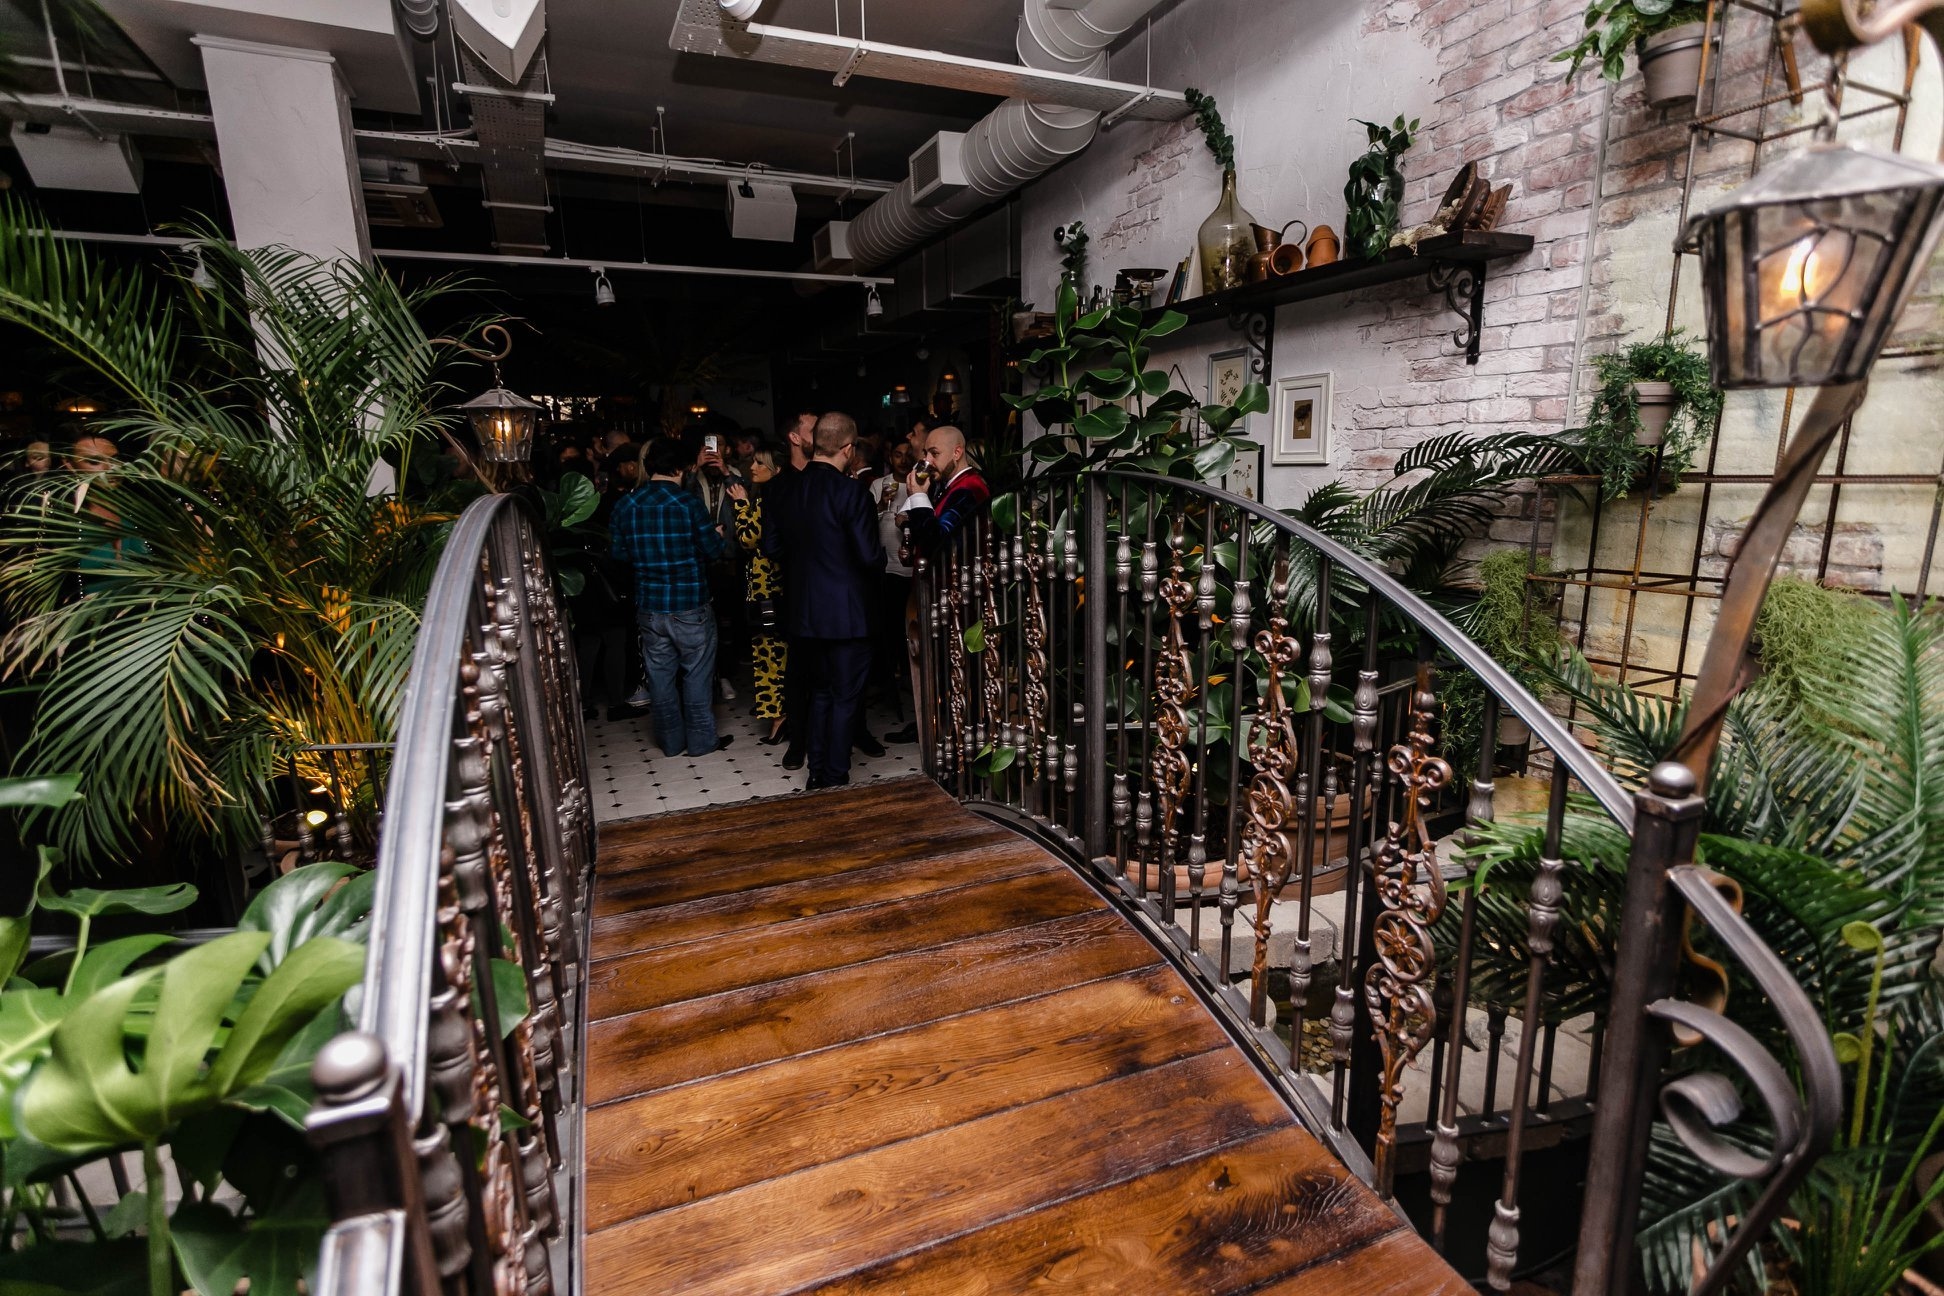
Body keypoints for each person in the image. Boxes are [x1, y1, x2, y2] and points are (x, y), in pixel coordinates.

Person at [763, 412, 884, 790]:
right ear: (848, 449)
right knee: (845, 698)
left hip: (803, 612)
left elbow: (772, 547)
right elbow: (869, 557)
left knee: (819, 693)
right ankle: (834, 776)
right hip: (847, 614)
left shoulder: (783, 490)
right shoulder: (852, 493)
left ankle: (816, 773)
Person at [609, 436, 733, 758]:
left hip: (650, 605)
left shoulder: (626, 505)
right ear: (682, 468)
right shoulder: (688, 504)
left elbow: (619, 555)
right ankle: (702, 742)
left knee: (660, 677)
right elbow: (713, 551)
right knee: (697, 674)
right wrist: (717, 535)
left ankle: (671, 742)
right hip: (690, 602)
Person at [726, 445, 787, 744]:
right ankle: (781, 714)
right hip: (772, 587)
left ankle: (779, 717)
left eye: (760, 463)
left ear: (776, 470)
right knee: (774, 652)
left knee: (769, 653)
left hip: (768, 588)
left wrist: (741, 504)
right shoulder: (776, 497)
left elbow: (749, 538)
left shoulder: (768, 500)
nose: (752, 467)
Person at [871, 442, 918, 743]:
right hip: (886, 569)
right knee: (889, 629)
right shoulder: (879, 484)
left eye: (907, 455)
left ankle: (912, 680)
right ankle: (893, 680)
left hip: (913, 572)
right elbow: (867, 523)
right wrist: (880, 505)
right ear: (890, 457)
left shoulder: (919, 483)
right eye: (898, 455)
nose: (903, 460)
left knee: (911, 629)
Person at [898, 424, 990, 558]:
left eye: (934, 453)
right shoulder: (951, 484)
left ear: (956, 453)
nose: (927, 460)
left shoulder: (968, 488)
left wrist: (918, 495)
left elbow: (940, 545)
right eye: (926, 453)